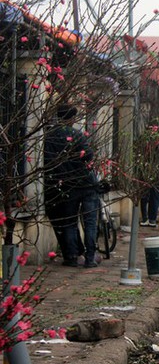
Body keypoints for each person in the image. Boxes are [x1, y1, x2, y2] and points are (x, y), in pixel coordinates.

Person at [43, 103, 100, 268]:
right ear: (72, 118)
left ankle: (72, 257)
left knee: (70, 222)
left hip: (68, 185)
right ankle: (90, 258)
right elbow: (88, 155)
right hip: (87, 184)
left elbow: (48, 161)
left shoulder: (50, 137)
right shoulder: (77, 135)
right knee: (90, 222)